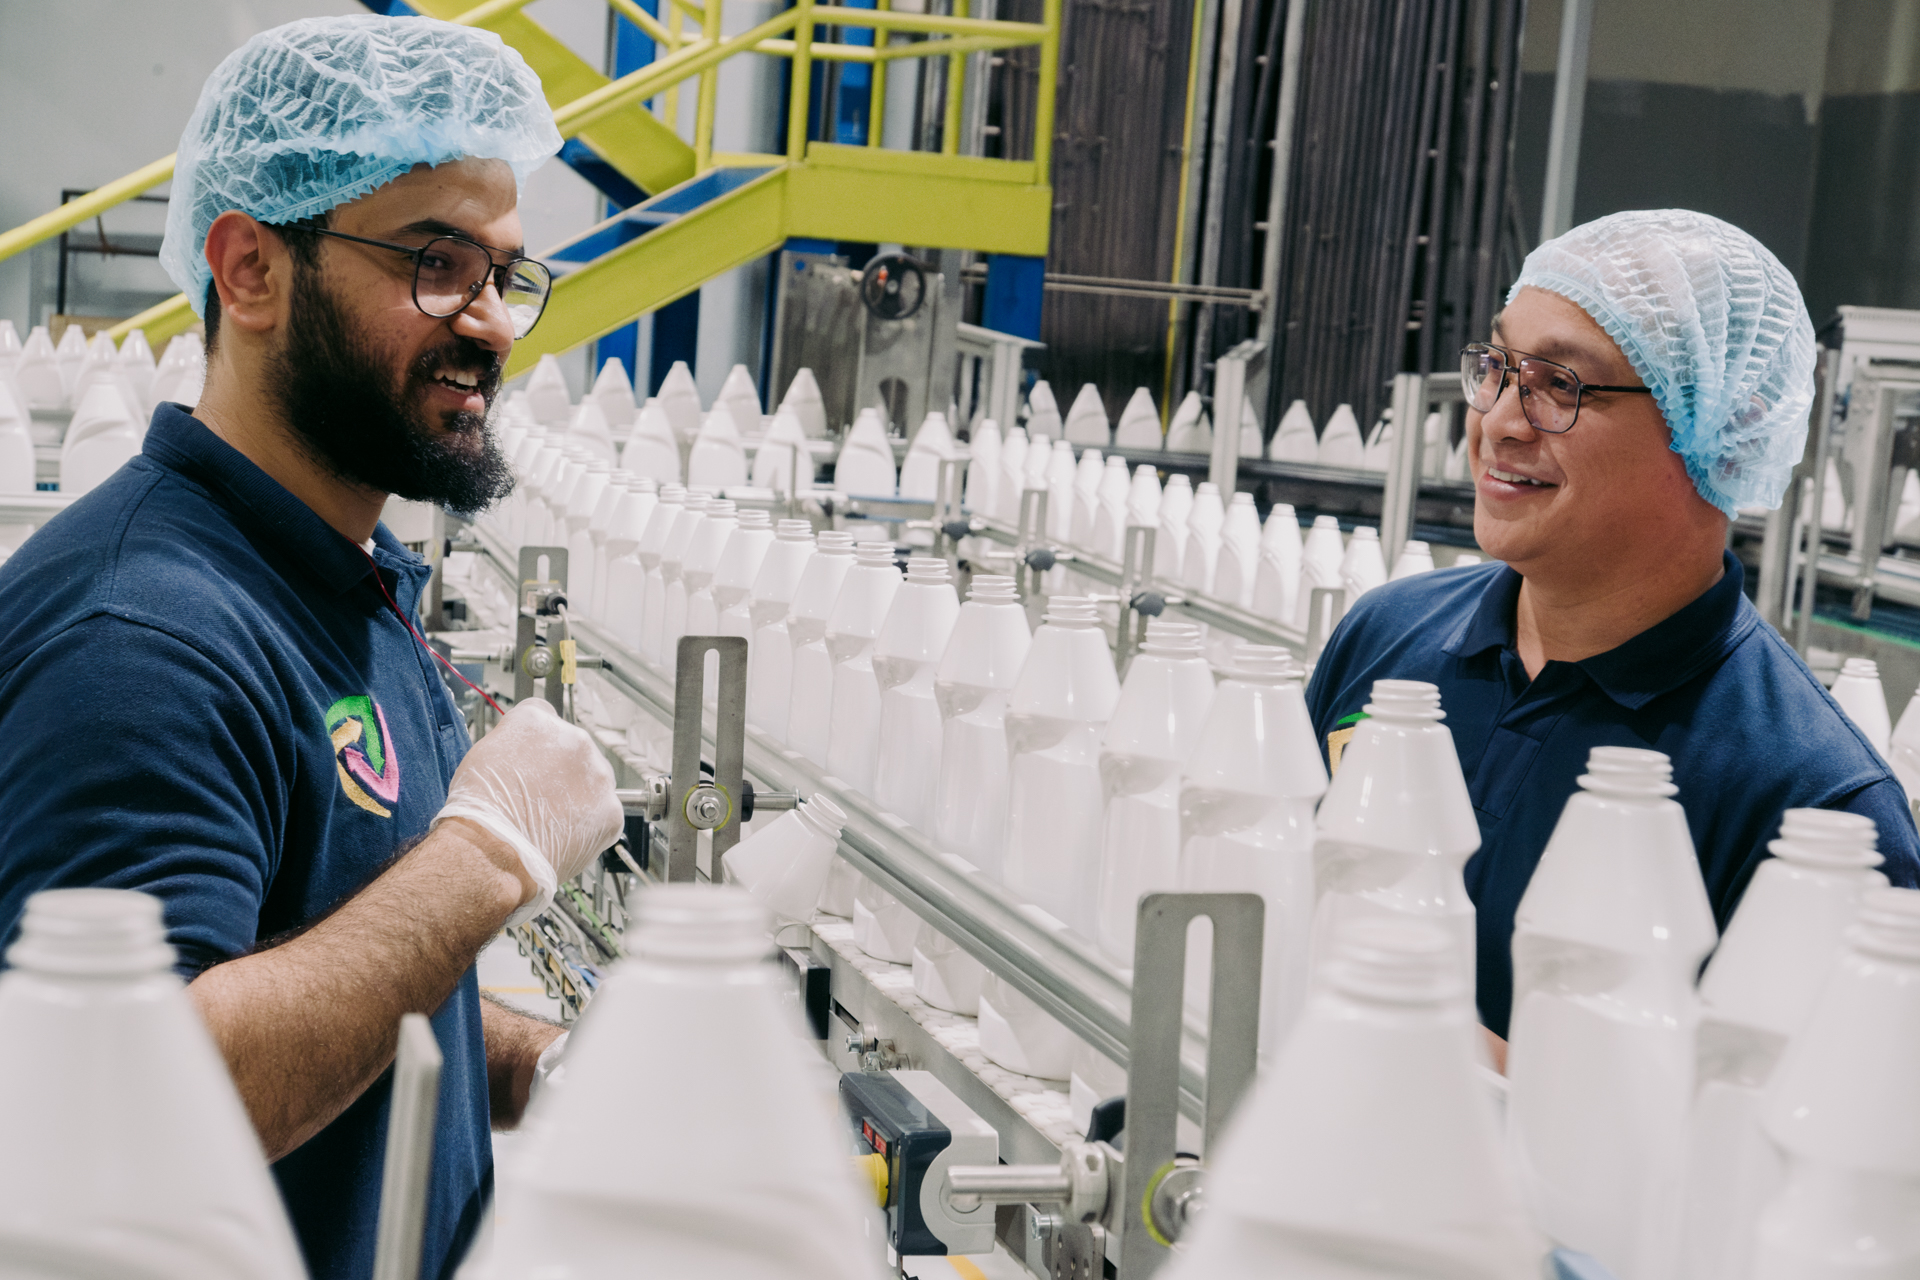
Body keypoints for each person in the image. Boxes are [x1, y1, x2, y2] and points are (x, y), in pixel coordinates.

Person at [0, 17, 624, 1280]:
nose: (494, 323)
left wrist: (546, 1066)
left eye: (508, 271)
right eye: (437, 262)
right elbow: (131, 1113)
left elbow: (350, 966)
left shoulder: (337, 584)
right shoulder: (145, 636)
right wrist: (485, 860)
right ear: (250, 270)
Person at [1306, 209, 1920, 1052]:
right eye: (1498, 367)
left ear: (1711, 425)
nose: (1498, 421)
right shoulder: (1389, 639)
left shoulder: (1814, 810)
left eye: (1559, 385)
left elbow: (1804, 1156)